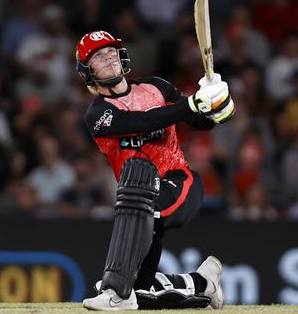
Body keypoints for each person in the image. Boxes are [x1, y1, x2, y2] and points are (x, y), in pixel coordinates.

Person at [76, 30, 234, 310]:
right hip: (137, 197)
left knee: (140, 209)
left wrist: (217, 106)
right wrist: (191, 103)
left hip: (178, 182)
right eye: (99, 56)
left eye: (111, 51)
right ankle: (202, 283)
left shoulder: (156, 87)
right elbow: (143, 121)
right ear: (88, 71)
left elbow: (197, 120)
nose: (109, 57)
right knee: (142, 293)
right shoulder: (98, 114)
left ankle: (115, 291)